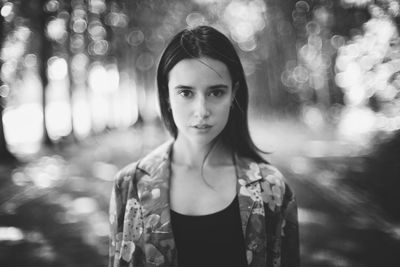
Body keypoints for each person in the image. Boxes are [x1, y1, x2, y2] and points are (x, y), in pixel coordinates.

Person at [109, 25, 299, 267]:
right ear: (167, 95)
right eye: (186, 93)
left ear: (233, 95)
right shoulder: (129, 185)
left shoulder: (272, 188)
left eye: (216, 92)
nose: (202, 111)